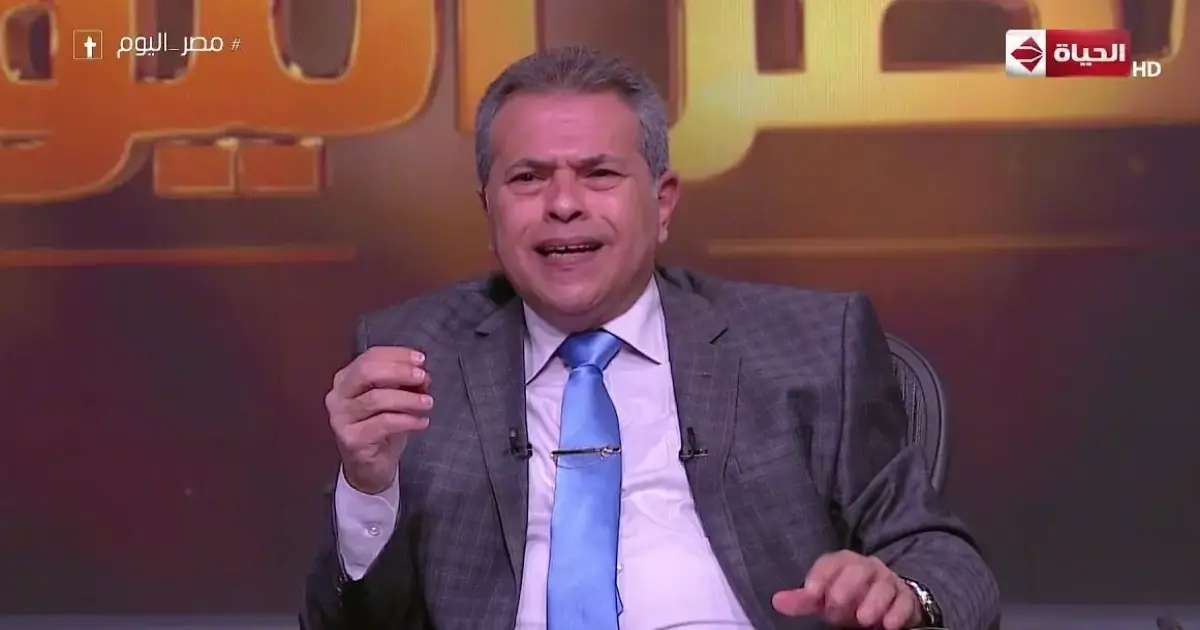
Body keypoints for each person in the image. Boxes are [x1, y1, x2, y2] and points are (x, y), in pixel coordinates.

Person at [301, 46, 999, 630]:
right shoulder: (412, 360)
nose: (564, 204)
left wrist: (905, 596)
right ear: (489, 209)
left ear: (662, 203)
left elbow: (946, 562)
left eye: (599, 174)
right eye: (528, 178)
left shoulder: (812, 346)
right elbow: (346, 623)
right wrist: (367, 491)